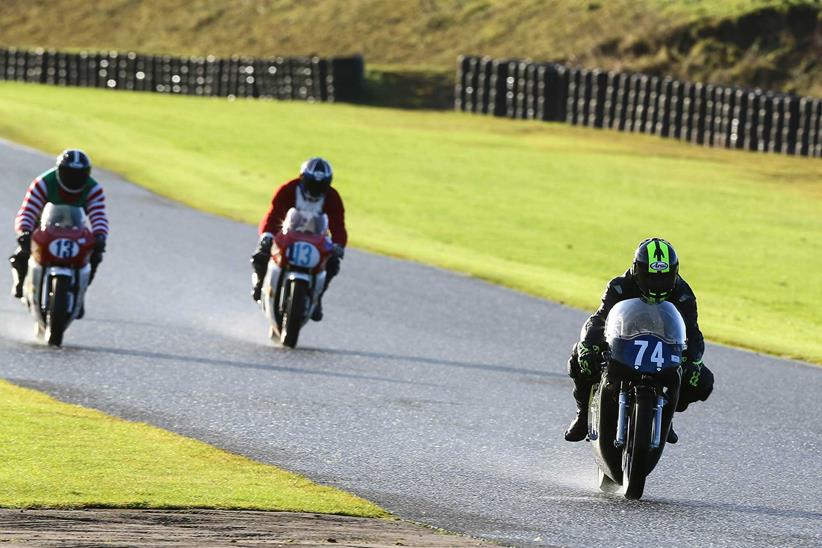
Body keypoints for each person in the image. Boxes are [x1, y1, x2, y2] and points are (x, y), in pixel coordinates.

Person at [564, 237, 714, 443]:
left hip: (664, 348)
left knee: (703, 381)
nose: (657, 283)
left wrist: (694, 361)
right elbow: (600, 318)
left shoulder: (683, 294)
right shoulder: (619, 287)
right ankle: (583, 414)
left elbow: (693, 332)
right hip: (624, 342)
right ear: (637, 270)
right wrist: (589, 347)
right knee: (578, 357)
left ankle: (665, 417)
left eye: (664, 277)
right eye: (651, 277)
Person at [9, 149, 109, 312]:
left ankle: (80, 292)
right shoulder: (43, 183)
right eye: (69, 174)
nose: (74, 179)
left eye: (79, 175)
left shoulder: (93, 188)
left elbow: (99, 216)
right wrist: (24, 231)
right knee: (22, 253)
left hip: (76, 228)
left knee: (94, 255)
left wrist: (100, 236)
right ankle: (21, 284)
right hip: (42, 226)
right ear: (60, 171)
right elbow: (27, 210)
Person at [251, 157, 346, 321]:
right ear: (302, 178)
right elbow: (274, 213)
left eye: (321, 186)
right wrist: (267, 235)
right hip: (288, 234)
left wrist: (338, 245)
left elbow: (338, 223)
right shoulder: (289, 189)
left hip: (317, 238)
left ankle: (317, 298)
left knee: (332, 263)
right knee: (261, 255)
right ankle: (260, 284)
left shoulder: (332, 196)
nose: (315, 189)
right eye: (311, 184)